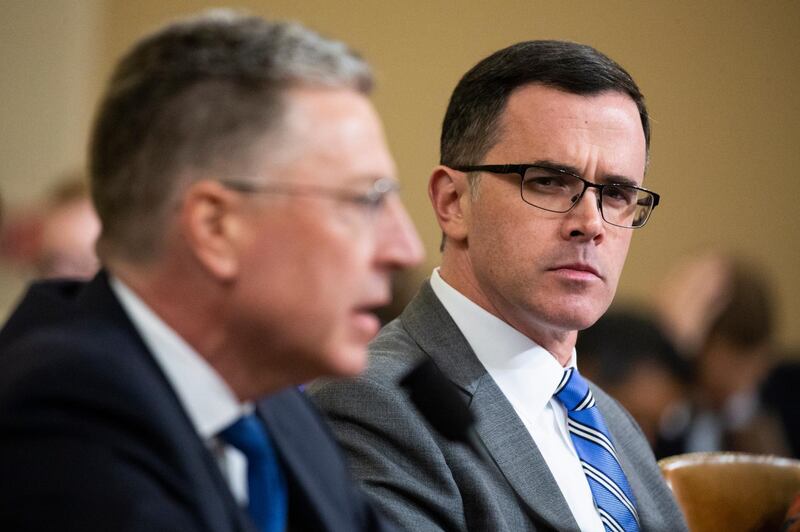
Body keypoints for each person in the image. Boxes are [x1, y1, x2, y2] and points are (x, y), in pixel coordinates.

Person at [0, 10, 423, 532]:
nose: (405, 248)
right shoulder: (59, 422)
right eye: (365, 201)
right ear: (217, 226)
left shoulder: (271, 407)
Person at [310, 40, 687, 531]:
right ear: (452, 202)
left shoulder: (615, 426)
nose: (591, 223)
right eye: (549, 181)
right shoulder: (373, 403)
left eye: (616, 193)